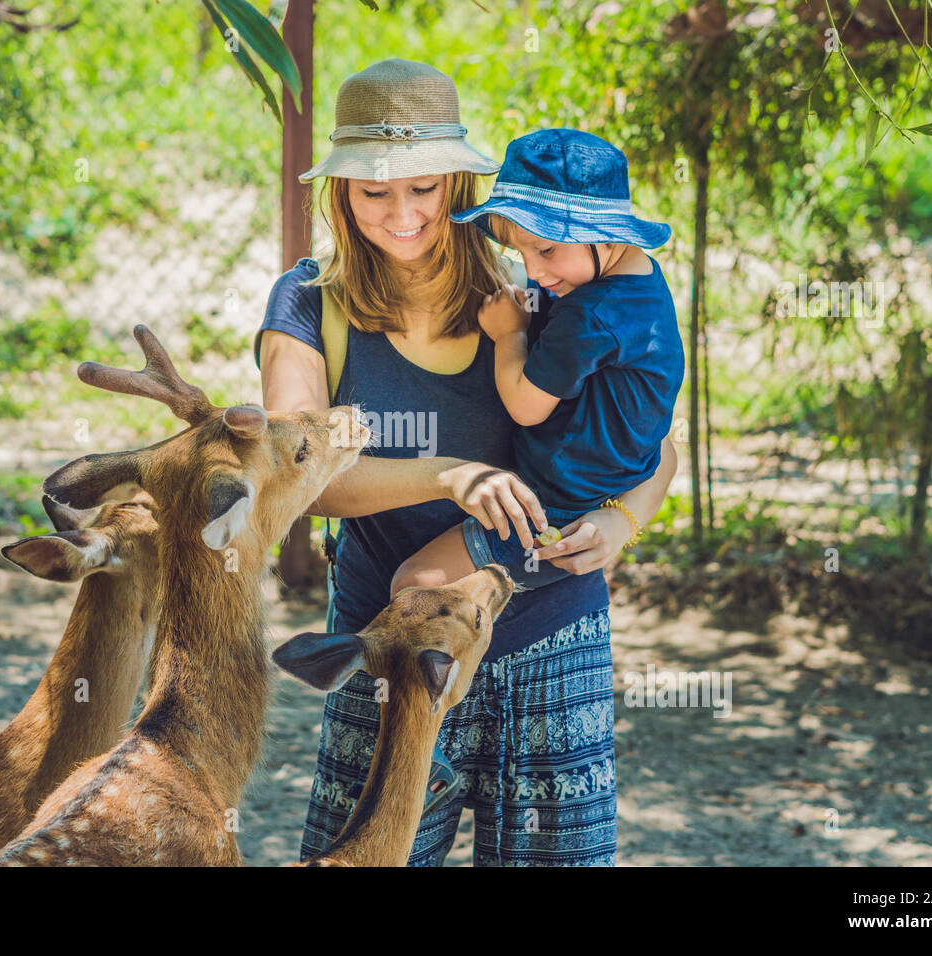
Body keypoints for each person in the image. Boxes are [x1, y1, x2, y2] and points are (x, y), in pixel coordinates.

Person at [255, 59, 677, 865]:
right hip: (391, 644)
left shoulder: (531, 288)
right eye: (374, 191)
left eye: (423, 187)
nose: (402, 212)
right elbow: (293, 472)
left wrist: (626, 519)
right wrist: (452, 475)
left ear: (458, 181)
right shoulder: (308, 301)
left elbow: (655, 435)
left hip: (550, 631)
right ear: (339, 193)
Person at [389, 128, 685, 598]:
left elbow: (527, 406)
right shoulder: (640, 280)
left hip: (555, 508)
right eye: (521, 252)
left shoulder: (589, 316)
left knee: (414, 583)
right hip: (610, 485)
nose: (535, 271)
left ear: (603, 237)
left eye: (546, 249)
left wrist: (510, 334)